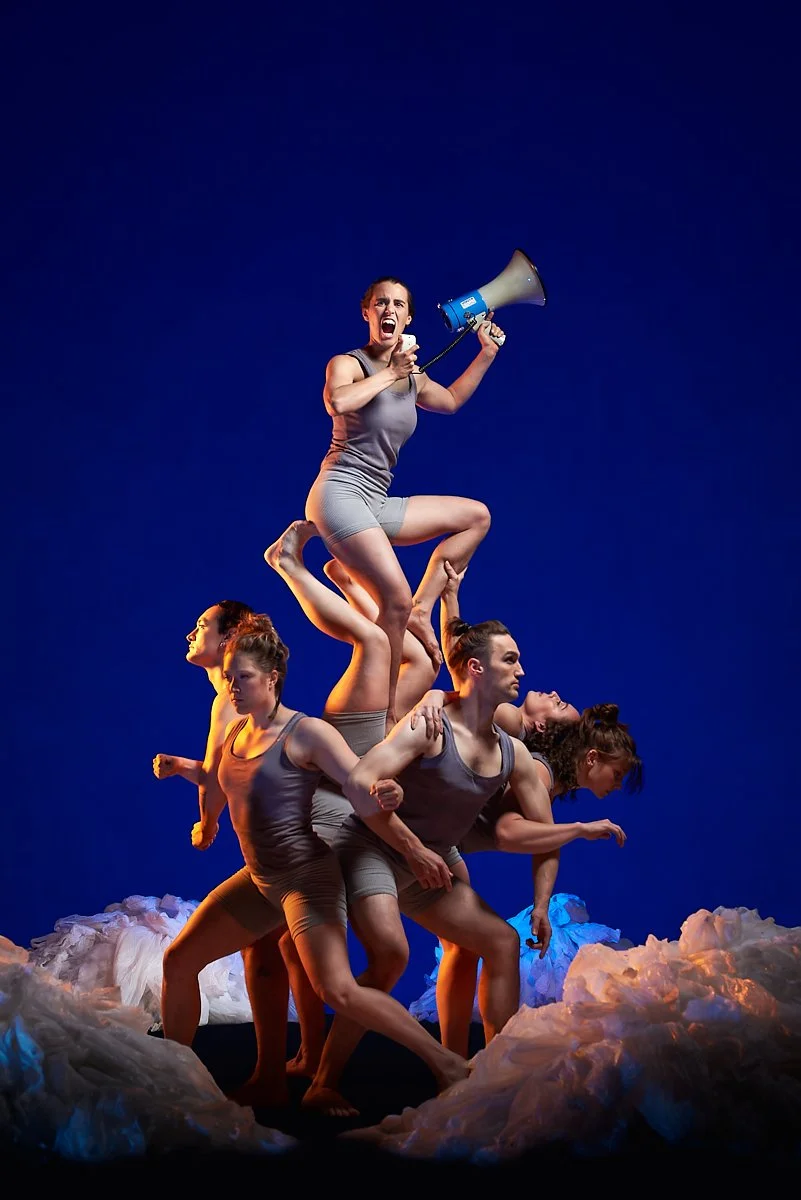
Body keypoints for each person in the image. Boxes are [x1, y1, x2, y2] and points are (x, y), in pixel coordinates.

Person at [160, 612, 469, 1112]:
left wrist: (412, 844)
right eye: (231, 677)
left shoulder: (307, 734)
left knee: (339, 991)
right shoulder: (235, 728)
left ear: (272, 679)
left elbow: (363, 788)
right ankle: (172, 1083)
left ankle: (447, 1064)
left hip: (308, 880)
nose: (234, 687)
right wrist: (205, 817)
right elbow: (219, 782)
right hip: (261, 880)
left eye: (245, 678)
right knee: (179, 961)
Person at [301, 614, 561, 1116]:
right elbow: (359, 783)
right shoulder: (428, 724)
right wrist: (414, 848)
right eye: (510, 660)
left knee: (501, 941)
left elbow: (545, 839)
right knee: (389, 955)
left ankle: (494, 1074)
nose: (522, 671)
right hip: (376, 847)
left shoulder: (515, 756)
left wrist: (542, 905)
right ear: (475, 669)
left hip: (429, 868)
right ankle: (323, 1084)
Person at [304, 274, 506, 728]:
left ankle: (423, 606)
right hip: (339, 492)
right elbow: (338, 403)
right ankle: (387, 712)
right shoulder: (349, 363)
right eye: (380, 303)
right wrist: (391, 373)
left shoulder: (414, 377)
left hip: (377, 501)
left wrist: (486, 353)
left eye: (398, 304)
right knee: (390, 600)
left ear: (409, 317)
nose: (389, 310)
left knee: (476, 517)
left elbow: (451, 400)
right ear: (367, 313)